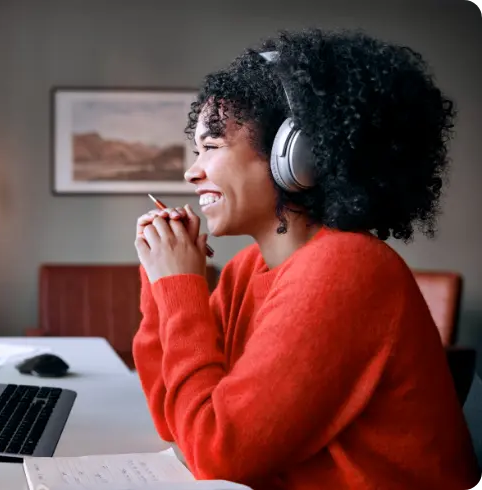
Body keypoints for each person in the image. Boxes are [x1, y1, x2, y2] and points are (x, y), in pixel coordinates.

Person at [132, 28, 479, 489]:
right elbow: (175, 418)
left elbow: (217, 452)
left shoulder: (347, 268)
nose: (192, 172)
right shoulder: (246, 271)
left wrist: (179, 288)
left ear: (296, 156)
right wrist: (162, 285)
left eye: (211, 147)